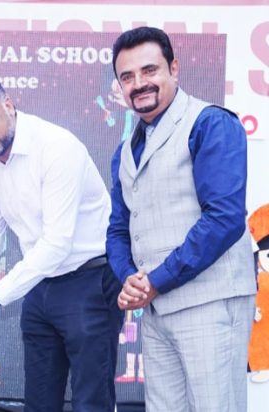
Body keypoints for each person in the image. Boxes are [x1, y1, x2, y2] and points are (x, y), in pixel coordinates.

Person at [0, 74, 123, 411]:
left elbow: (57, 243)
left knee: (91, 401)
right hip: (38, 287)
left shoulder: (57, 147)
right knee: (39, 402)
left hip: (90, 281)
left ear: (8, 105)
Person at [106, 26, 256, 411]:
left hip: (210, 302)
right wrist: (130, 279)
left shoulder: (210, 123)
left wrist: (155, 281)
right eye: (127, 77)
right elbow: (120, 229)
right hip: (156, 309)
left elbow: (224, 219)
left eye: (149, 70)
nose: (139, 84)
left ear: (174, 68)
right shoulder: (125, 150)